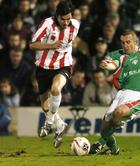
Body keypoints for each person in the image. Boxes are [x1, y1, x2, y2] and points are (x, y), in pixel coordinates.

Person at [29, 0, 80, 148]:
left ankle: (49, 123)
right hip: (43, 67)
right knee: (45, 106)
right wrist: (51, 45)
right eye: (62, 19)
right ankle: (60, 126)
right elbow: (33, 44)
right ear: (57, 16)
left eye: (68, 18)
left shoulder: (75, 25)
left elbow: (69, 44)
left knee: (56, 89)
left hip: (63, 65)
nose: (66, 22)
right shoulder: (46, 24)